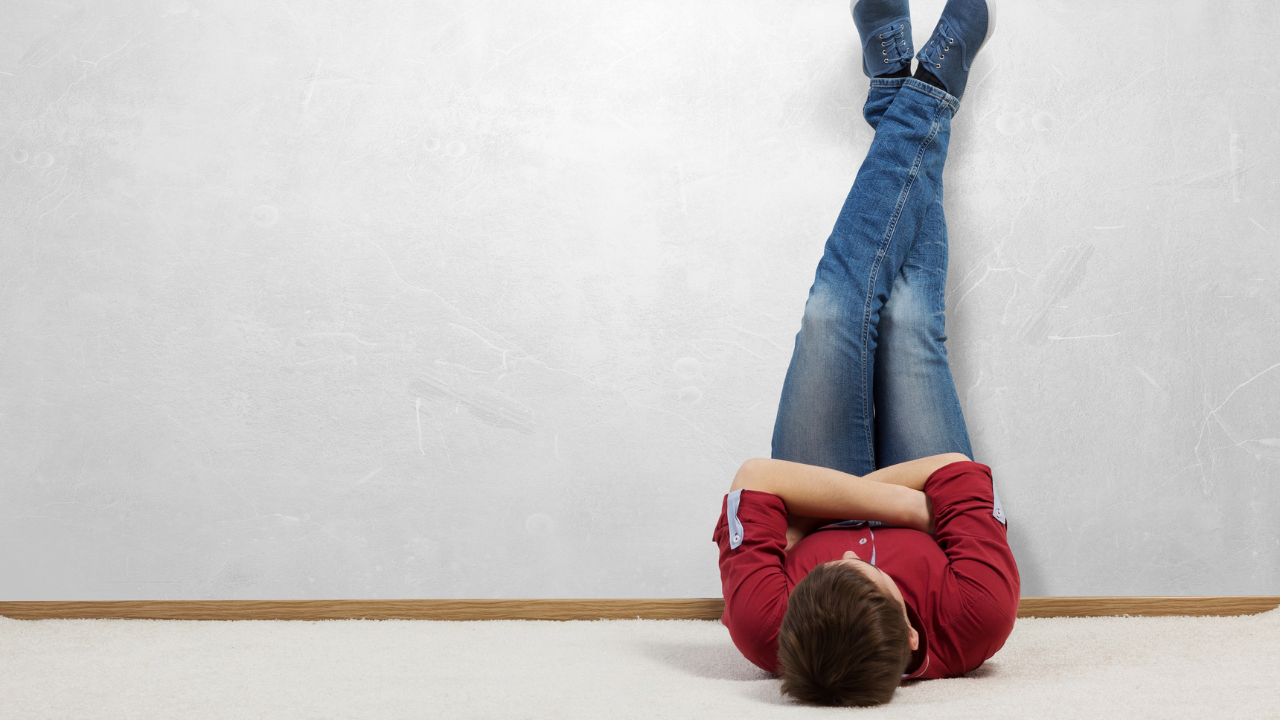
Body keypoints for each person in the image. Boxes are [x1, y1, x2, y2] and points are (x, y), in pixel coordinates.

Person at [711, 0, 1018, 707]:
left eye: (829, 567)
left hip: (870, 495)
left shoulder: (766, 629)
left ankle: (913, 90)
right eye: (866, 573)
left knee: (832, 313)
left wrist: (911, 512)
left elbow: (755, 477)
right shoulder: (978, 618)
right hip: (839, 491)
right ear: (912, 637)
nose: (853, 553)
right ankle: (920, 92)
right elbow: (954, 468)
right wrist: (815, 512)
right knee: (909, 321)